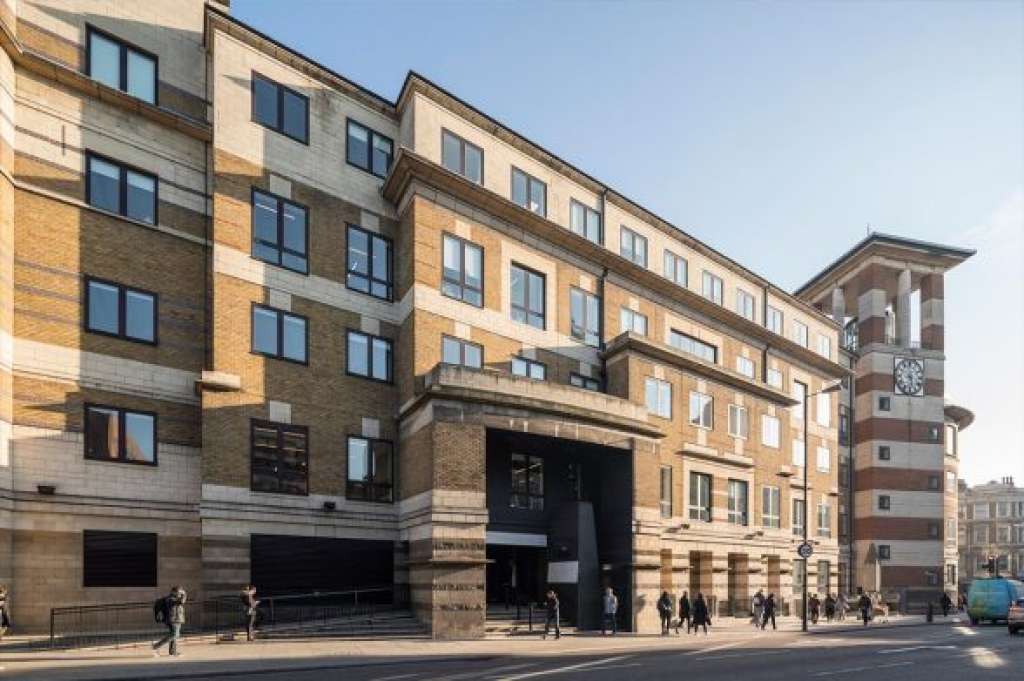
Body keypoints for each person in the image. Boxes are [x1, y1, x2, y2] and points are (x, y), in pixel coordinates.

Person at [153, 586, 187, 656]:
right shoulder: (170, 599)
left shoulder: (173, 598)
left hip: (176, 619)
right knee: (175, 634)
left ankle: (172, 651)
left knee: (174, 636)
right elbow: (181, 602)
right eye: (179, 592)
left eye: (180, 592)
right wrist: (184, 594)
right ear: (174, 592)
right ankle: (156, 645)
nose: (180, 594)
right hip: (173, 620)